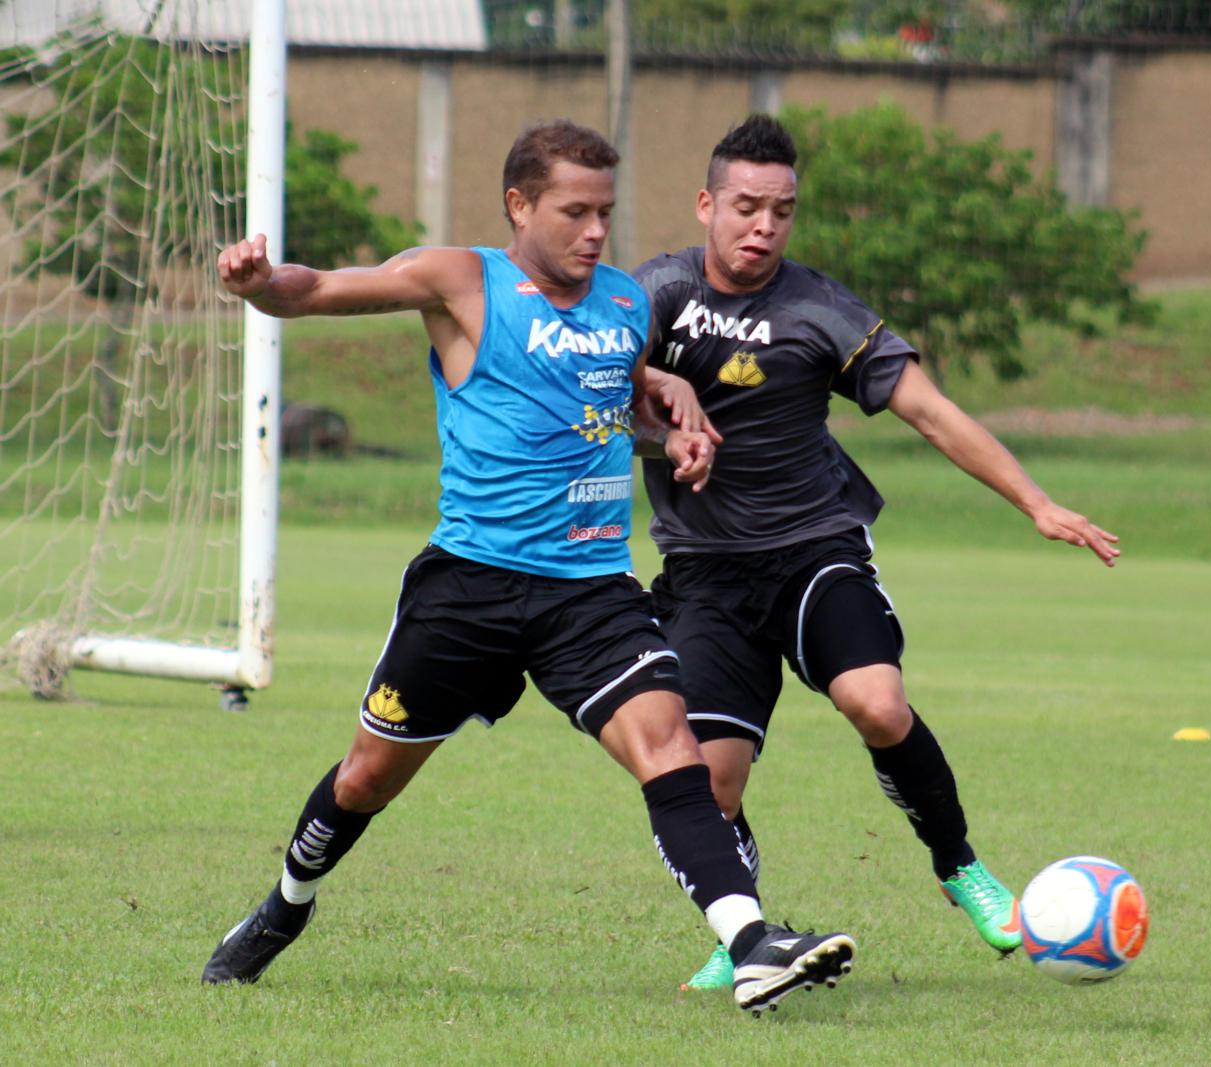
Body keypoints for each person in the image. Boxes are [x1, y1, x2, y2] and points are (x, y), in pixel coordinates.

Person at [200, 120, 855, 1016]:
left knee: (672, 747)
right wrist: (258, 284)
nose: (596, 231)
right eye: (574, 212)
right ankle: (286, 904)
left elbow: (609, 412)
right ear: (519, 205)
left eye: (606, 213)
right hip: (468, 587)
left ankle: (750, 942)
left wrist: (672, 435)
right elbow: (315, 289)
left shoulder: (625, 303)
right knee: (364, 778)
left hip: (590, 590)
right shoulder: (461, 281)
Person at [632, 115, 1121, 991]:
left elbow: (931, 412)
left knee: (877, 703)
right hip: (703, 572)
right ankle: (743, 934)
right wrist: (663, 430)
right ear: (706, 204)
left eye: (782, 211)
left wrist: (1037, 502)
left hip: (813, 549)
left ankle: (959, 865)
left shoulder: (823, 309)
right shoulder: (654, 295)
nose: (764, 227)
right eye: (746, 207)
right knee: (710, 784)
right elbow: (589, 392)